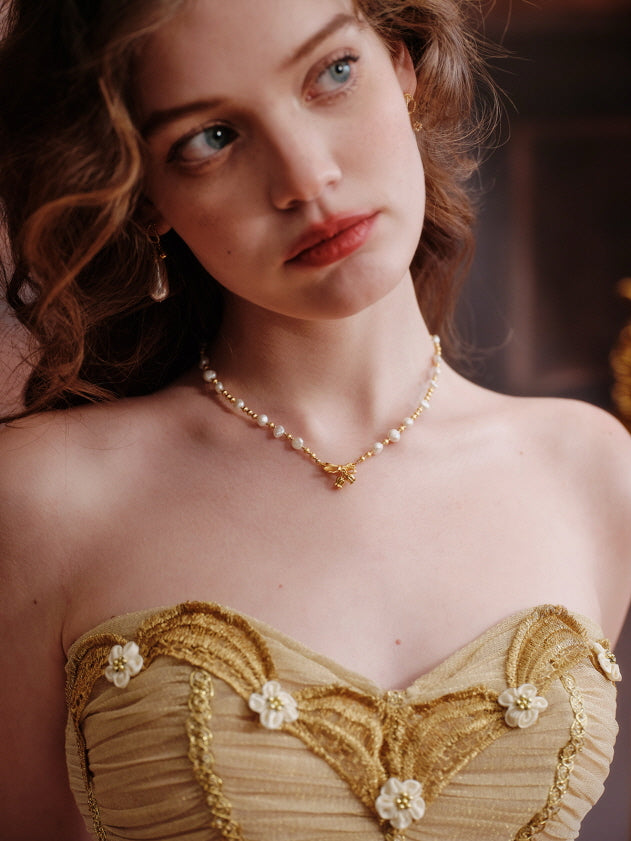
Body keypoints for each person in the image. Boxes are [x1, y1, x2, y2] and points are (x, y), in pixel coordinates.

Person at [1, 0, 630, 839]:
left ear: (403, 65)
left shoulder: (589, 470)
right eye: (210, 138)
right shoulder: (43, 495)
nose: (305, 177)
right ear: (144, 193)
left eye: (332, 73)